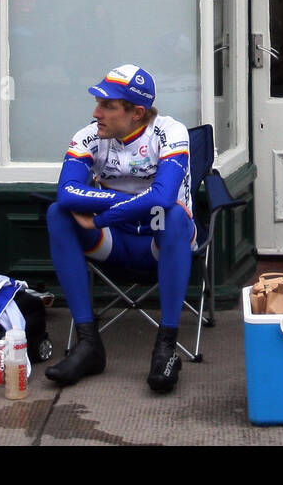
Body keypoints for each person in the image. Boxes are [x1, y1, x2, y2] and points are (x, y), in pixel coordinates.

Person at [45, 64, 194, 393]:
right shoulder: (89, 135)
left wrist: (100, 217)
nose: (96, 112)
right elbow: (67, 193)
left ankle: (166, 349)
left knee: (174, 217)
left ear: (137, 112)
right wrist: (130, 204)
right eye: (98, 103)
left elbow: (164, 198)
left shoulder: (170, 132)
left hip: (158, 240)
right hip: (114, 242)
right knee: (58, 214)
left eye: (107, 105)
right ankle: (88, 344)